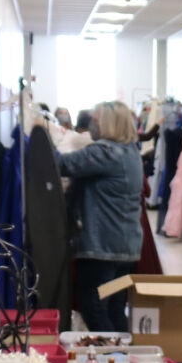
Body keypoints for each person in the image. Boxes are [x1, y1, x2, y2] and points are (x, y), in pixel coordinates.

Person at [52, 100, 143, 331]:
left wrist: (45, 134)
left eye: (97, 119)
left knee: (95, 311)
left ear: (109, 123)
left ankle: (113, 360)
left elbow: (61, 164)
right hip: (125, 248)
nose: (93, 123)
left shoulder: (105, 153)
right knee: (114, 310)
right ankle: (124, 360)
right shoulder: (132, 152)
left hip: (101, 248)